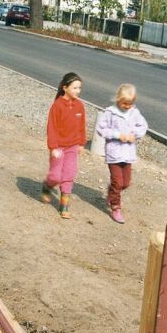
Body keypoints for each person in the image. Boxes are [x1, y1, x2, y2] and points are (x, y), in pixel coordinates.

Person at [96, 83, 147, 224]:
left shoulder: (135, 113)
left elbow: (143, 126)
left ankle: (112, 192)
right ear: (118, 99)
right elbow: (101, 129)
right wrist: (117, 135)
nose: (127, 106)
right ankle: (115, 207)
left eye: (130, 104)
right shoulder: (110, 112)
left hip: (128, 153)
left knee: (125, 183)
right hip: (114, 153)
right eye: (125, 103)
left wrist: (134, 134)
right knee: (117, 182)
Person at [41, 71, 86, 219]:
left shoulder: (80, 106)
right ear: (65, 88)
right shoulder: (57, 106)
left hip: (72, 147)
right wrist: (53, 147)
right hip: (59, 147)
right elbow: (52, 128)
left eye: (79, 88)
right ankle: (47, 186)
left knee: (69, 174)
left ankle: (64, 205)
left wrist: (81, 143)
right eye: (74, 88)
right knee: (55, 176)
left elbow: (81, 127)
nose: (77, 91)